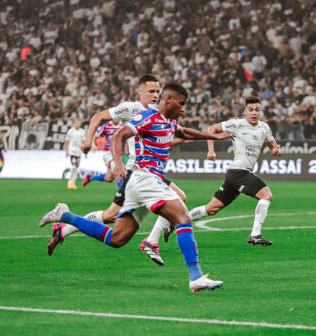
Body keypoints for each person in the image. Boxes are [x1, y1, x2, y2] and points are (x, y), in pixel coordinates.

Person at [39, 83, 234, 293]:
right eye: (182, 103)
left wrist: (215, 136)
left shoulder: (169, 121)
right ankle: (195, 276)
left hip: (146, 182)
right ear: (168, 100)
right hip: (144, 178)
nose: (184, 109)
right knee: (182, 217)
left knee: (117, 239)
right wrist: (119, 164)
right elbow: (118, 136)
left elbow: (186, 132)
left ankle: (66, 216)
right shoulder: (148, 116)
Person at [45, 75, 189, 266]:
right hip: (135, 173)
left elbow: (163, 139)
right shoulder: (131, 109)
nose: (155, 95)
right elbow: (99, 117)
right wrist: (89, 140)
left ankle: (64, 228)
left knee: (177, 199)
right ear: (140, 91)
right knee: (111, 216)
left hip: (152, 172)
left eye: (158, 91)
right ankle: (150, 242)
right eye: (151, 91)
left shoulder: (162, 115)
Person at [188, 96, 282, 246]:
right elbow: (211, 129)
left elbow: (273, 148)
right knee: (266, 195)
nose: (254, 113)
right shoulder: (237, 124)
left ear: (260, 111)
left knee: (211, 209)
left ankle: (175, 221)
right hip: (239, 172)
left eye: (257, 110)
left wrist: (276, 151)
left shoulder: (264, 128)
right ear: (245, 111)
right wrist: (211, 151)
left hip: (236, 174)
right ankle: (255, 234)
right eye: (250, 110)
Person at [82, 119, 124, 188]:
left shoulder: (123, 125)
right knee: (118, 172)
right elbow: (95, 135)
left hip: (119, 155)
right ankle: (122, 196)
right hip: (108, 154)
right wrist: (93, 144)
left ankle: (90, 178)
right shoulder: (106, 126)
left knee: (109, 178)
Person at [64, 119, 86, 189]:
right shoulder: (70, 131)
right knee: (73, 166)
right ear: (74, 124)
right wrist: (66, 151)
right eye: (76, 123)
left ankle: (73, 183)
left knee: (76, 168)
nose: (77, 124)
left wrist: (85, 152)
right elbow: (66, 141)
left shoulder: (82, 131)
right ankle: (70, 181)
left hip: (79, 152)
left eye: (78, 123)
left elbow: (84, 142)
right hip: (72, 151)